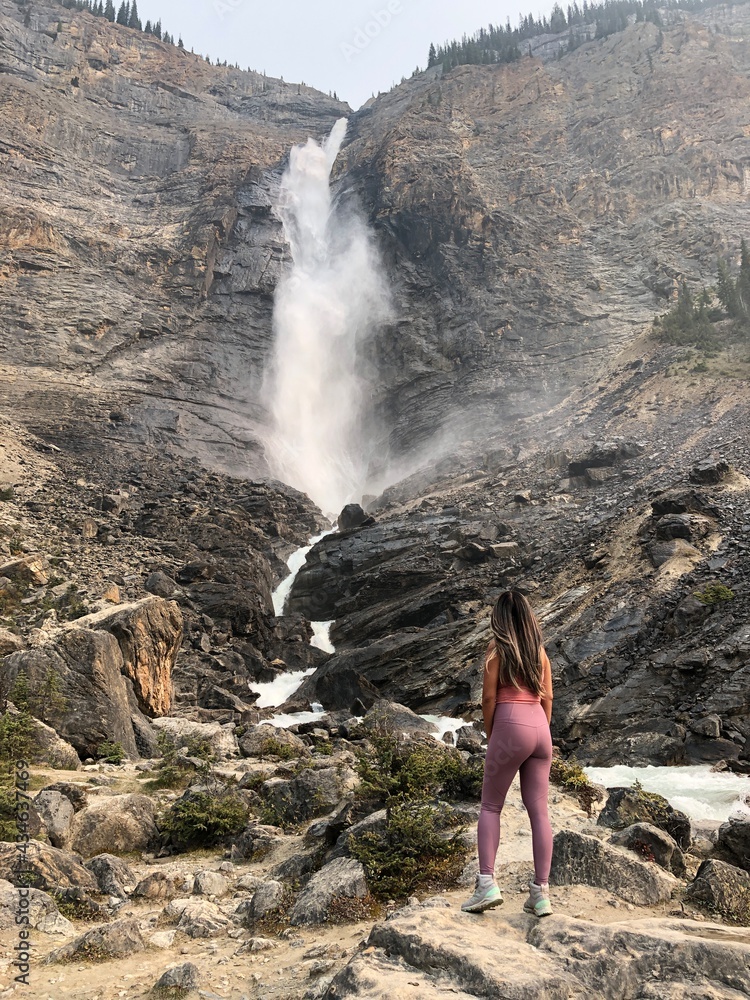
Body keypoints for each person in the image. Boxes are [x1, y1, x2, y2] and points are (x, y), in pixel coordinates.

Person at [461, 590, 554, 918]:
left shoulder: (497, 649)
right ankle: (541, 894)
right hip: (540, 729)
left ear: (499, 618)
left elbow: (488, 698)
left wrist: (493, 735)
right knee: (539, 812)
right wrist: (541, 733)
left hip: (510, 725)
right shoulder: (540, 652)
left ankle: (486, 884)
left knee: (490, 806)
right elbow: (548, 699)